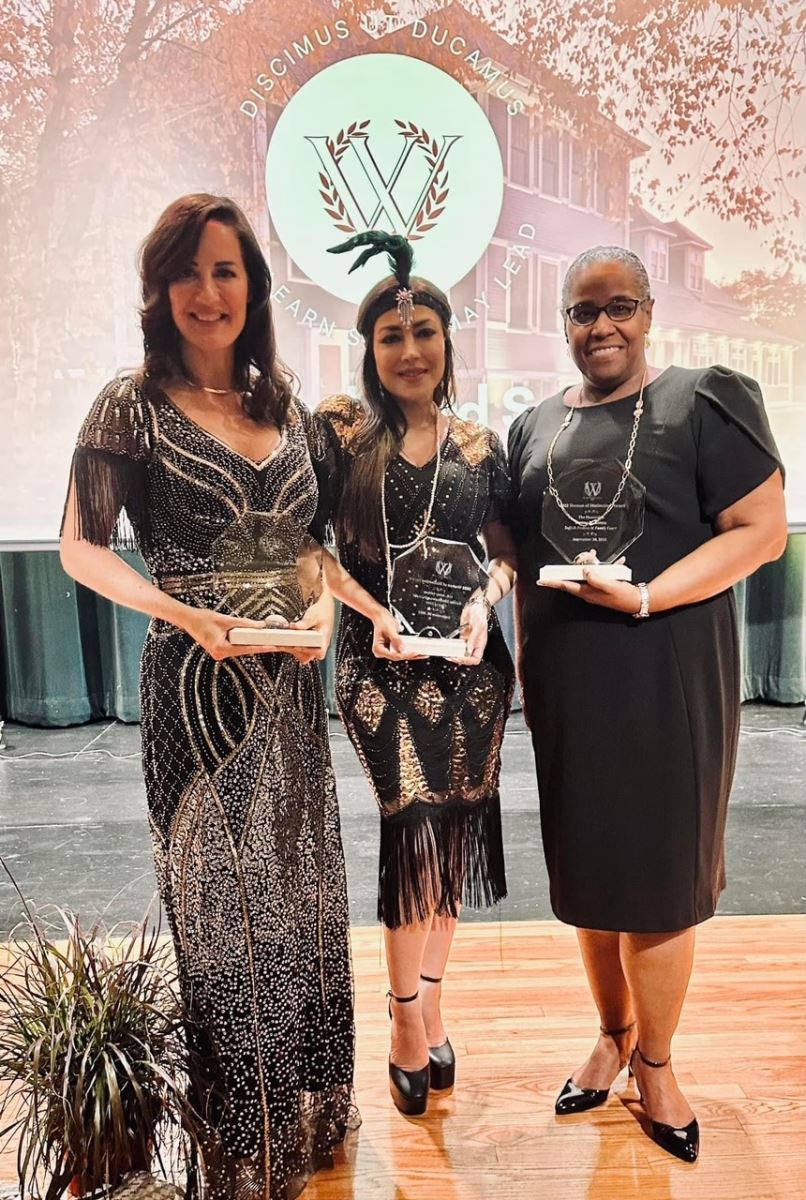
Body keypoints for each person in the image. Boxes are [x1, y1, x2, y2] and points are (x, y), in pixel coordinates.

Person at [59, 194, 362, 1200]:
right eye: (186, 271)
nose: (206, 290)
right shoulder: (128, 404)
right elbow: (81, 548)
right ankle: (241, 1149)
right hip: (194, 691)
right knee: (222, 916)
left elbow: (309, 549)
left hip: (287, 692)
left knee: (305, 902)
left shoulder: (285, 402)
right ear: (159, 289)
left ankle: (310, 1119)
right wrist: (182, 615)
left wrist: (322, 615)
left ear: (254, 287)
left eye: (225, 269)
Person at [508, 245, 787, 1163]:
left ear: (650, 309)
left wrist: (649, 596)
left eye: (618, 306)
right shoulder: (534, 426)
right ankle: (614, 1035)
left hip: (667, 675)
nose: (601, 327)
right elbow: (514, 557)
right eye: (583, 312)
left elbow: (760, 533)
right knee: (593, 878)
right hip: (570, 689)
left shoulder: (705, 401)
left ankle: (659, 1063)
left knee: (661, 881)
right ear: (563, 323)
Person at [315, 232, 517, 1117]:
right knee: (416, 833)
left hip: (472, 665)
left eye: (424, 332)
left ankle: (433, 998)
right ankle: (404, 1019)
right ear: (369, 350)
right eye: (391, 337)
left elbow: (503, 551)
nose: (409, 351)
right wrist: (370, 612)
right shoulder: (337, 431)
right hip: (381, 662)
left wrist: (487, 603)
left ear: (446, 341)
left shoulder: (480, 445)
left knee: (457, 831)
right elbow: (306, 547)